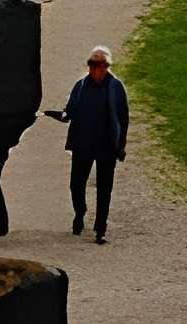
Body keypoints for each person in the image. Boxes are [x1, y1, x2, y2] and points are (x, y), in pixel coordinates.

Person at [46, 46, 128, 243]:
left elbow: (123, 119)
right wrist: (56, 114)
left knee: (104, 188)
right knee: (76, 184)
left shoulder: (115, 87)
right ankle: (80, 213)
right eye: (91, 64)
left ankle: (101, 229)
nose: (93, 68)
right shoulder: (81, 85)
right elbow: (69, 112)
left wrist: (121, 145)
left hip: (107, 145)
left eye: (98, 64)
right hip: (82, 143)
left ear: (106, 66)